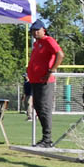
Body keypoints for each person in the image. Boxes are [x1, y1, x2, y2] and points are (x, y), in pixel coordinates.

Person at [25, 19, 63, 147]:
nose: (34, 33)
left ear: (43, 30)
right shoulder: (37, 44)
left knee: (44, 108)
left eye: (37, 30)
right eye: (32, 31)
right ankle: (44, 139)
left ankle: (47, 139)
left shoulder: (48, 40)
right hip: (35, 81)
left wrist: (51, 70)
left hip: (45, 81)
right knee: (39, 108)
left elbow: (60, 54)